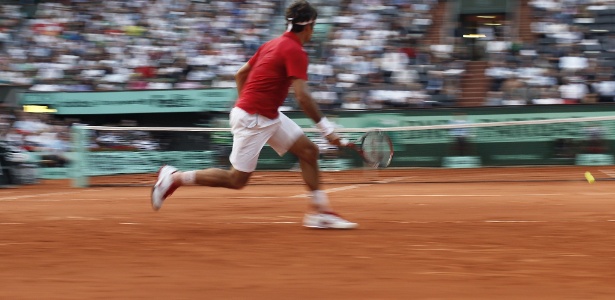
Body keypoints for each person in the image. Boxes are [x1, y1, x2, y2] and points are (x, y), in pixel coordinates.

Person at [151, 0, 357, 229]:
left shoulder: (271, 44)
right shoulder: (296, 51)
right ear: (309, 27)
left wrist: (247, 103)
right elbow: (303, 97)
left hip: (265, 114)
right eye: (314, 27)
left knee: (308, 151)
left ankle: (320, 214)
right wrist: (327, 129)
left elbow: (240, 75)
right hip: (255, 118)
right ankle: (174, 177)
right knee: (236, 180)